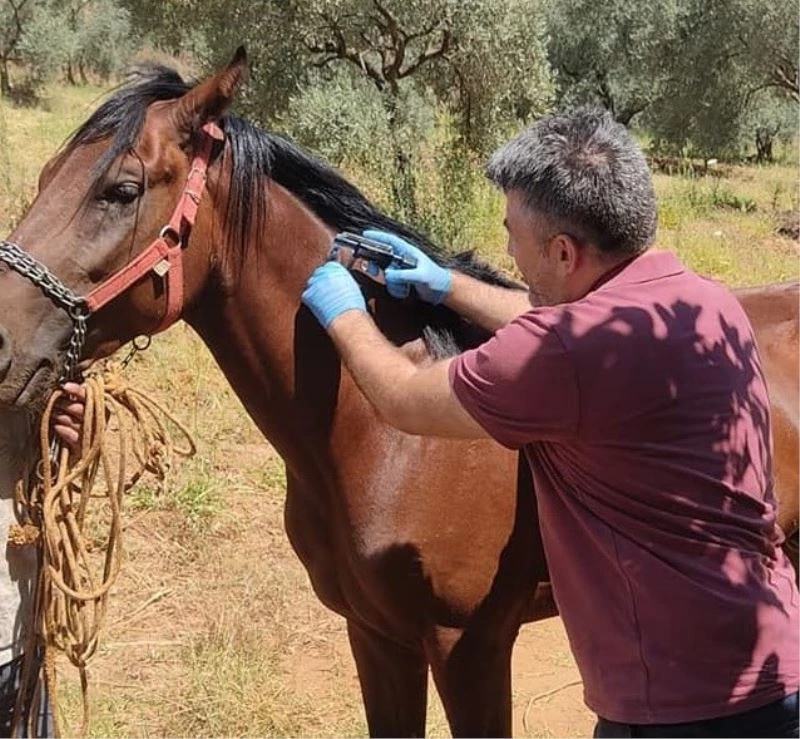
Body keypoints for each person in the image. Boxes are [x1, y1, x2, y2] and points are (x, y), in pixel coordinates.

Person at [297, 107, 799, 737]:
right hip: (773, 673)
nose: (506, 250)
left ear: (564, 251)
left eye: (513, 234)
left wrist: (344, 314)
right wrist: (446, 284)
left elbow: (401, 398)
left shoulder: (564, 355)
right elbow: (561, 327)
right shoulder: (703, 302)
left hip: (676, 709)